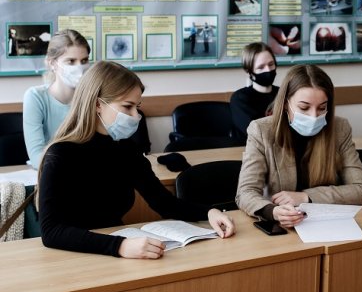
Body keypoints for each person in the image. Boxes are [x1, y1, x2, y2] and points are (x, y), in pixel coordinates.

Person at [38, 61, 235, 258]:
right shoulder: (60, 154)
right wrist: (119, 247)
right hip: (74, 255)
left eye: (137, 106)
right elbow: (51, 232)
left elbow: (163, 202)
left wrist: (209, 213)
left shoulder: (125, 148)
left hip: (116, 248)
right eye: (127, 106)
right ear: (98, 104)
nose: (136, 116)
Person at [236, 64, 362, 228]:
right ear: (286, 103)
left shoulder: (339, 128)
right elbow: (245, 192)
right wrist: (272, 211)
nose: (314, 116)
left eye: (322, 108)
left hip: (328, 223)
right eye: (304, 107)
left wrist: (306, 197)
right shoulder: (261, 130)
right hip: (285, 227)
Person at [23, 29, 90, 169]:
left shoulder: (92, 96)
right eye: (71, 61)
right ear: (52, 63)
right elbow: (36, 156)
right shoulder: (35, 97)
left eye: (84, 60)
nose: (79, 67)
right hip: (51, 174)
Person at [230, 42, 279, 142]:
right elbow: (255, 133)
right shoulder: (240, 99)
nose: (268, 70)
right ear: (249, 72)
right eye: (261, 67)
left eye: (271, 64)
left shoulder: (284, 93)